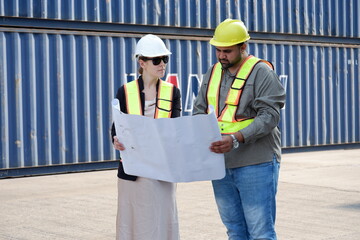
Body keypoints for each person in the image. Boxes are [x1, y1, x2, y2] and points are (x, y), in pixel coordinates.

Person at [193, 19, 286, 240]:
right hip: (221, 164)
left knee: (260, 233)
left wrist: (236, 138)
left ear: (243, 47)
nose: (221, 55)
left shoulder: (262, 72)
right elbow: (200, 111)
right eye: (218, 50)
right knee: (235, 231)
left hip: (256, 162)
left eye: (227, 51)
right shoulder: (213, 72)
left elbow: (270, 116)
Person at [111, 34, 181, 240]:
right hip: (133, 171)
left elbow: (175, 130)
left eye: (165, 59)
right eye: (157, 60)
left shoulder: (172, 92)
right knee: (133, 220)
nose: (162, 65)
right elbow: (116, 127)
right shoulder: (125, 91)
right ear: (142, 62)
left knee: (163, 218)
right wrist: (115, 139)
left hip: (162, 169)